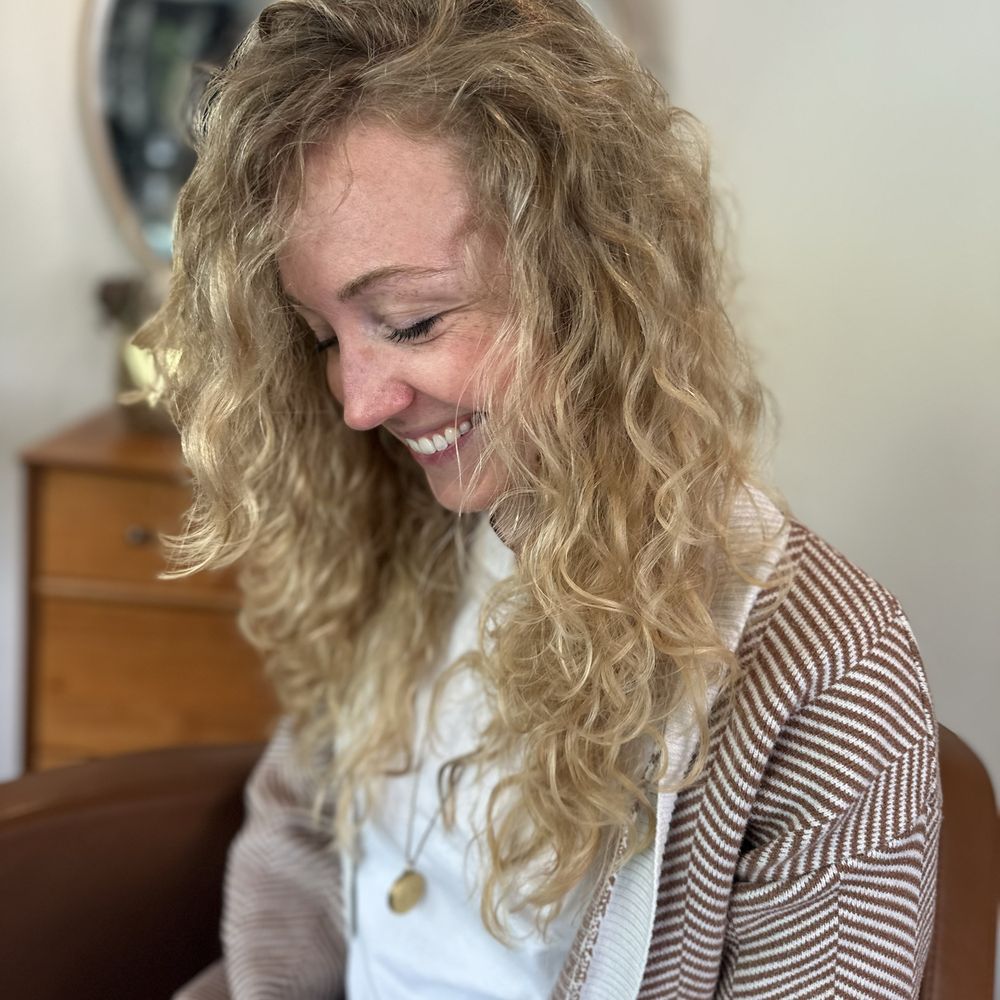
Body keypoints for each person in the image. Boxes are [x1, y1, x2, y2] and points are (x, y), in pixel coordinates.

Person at [139, 1, 941, 997]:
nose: (358, 402)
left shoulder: (827, 675)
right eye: (323, 336)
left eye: (412, 320)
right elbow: (298, 835)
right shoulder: (403, 522)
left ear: (591, 283)